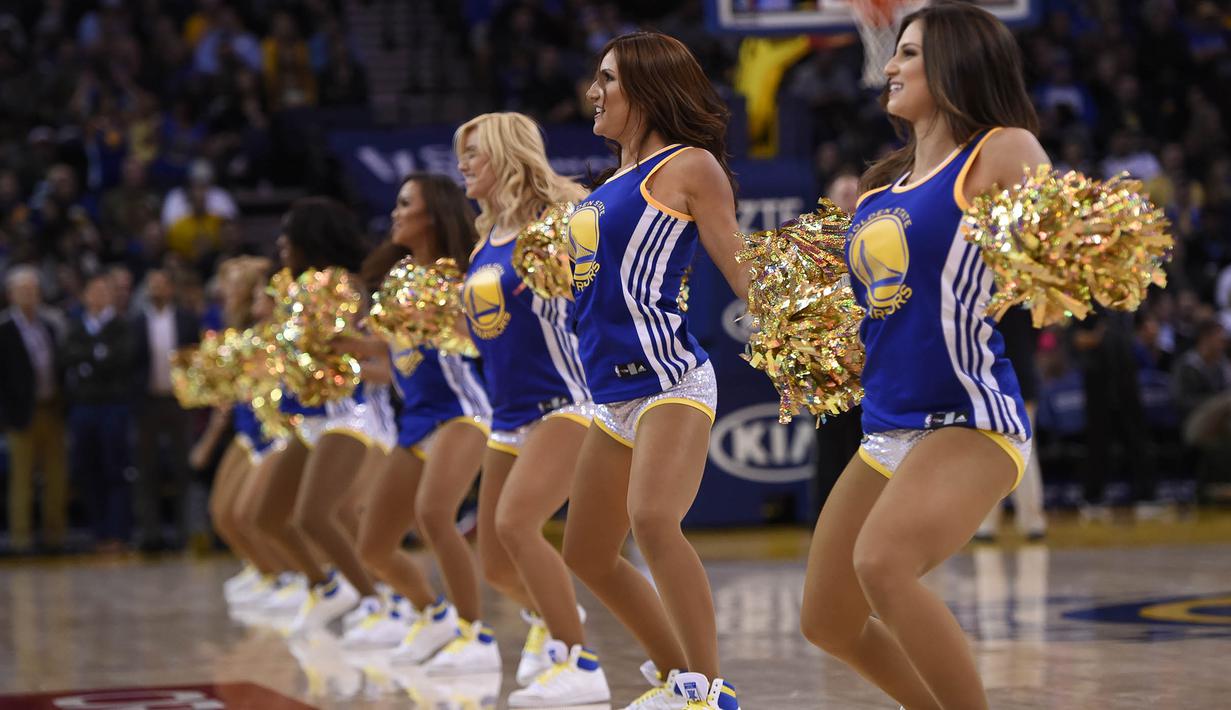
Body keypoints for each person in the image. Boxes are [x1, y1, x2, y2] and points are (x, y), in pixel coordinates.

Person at [798, 4, 1047, 709]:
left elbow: (1051, 234)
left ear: (953, 65)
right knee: (826, 619)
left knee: (881, 564)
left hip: (968, 419)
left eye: (908, 53)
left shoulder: (1002, 150)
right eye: (895, 51)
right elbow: (869, 314)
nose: (889, 66)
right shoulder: (879, 189)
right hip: (886, 430)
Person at [558, 32, 750, 710]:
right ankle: (678, 676)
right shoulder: (604, 185)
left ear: (645, 87)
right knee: (584, 552)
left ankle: (709, 688)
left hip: (669, 381)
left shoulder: (688, 166)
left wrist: (806, 329)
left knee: (652, 520)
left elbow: (740, 267)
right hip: (608, 396)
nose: (593, 92)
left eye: (607, 79)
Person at [448, 112, 604, 701]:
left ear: (506, 155)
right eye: (461, 155)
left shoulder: (554, 220)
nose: (463, 165)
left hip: (565, 401)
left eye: (475, 154)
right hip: (507, 415)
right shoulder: (486, 235)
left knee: (517, 524)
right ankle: (555, 617)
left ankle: (579, 661)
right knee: (493, 562)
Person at [339, 175, 491, 662]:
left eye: (406, 205)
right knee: (373, 546)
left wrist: (453, 313)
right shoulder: (400, 281)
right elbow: (385, 354)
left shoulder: (464, 279)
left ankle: (475, 635)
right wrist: (330, 345)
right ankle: (435, 614)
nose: (395, 213)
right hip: (416, 421)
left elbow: (483, 339)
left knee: (432, 517)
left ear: (432, 216)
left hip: (463, 413)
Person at [248, 197, 387, 636]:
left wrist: (337, 350)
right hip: (308, 419)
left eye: (290, 232)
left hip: (347, 416)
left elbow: (369, 353)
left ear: (312, 237)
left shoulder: (344, 285)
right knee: (267, 517)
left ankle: (376, 602)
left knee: (315, 516)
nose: (282, 242)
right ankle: (327, 588)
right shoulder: (296, 288)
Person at [64, 273, 136, 553]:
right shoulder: (76, 325)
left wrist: (89, 362)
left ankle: (118, 533)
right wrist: (96, 357)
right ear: (85, 296)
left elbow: (122, 359)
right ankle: (98, 534)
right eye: (94, 291)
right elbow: (67, 356)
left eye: (104, 291)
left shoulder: (121, 325)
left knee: (115, 469)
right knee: (88, 469)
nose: (99, 296)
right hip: (84, 407)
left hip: (113, 406)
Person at [131, 268, 200, 552]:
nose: (157, 289)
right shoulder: (135, 321)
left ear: (171, 288)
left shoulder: (185, 319)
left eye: (162, 284)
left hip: (177, 402)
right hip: (147, 402)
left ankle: (186, 533)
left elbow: (195, 357)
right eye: (153, 284)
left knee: (183, 469)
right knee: (146, 471)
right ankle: (151, 535)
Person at [0, 266, 67, 554]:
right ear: (11, 294)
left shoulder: (49, 325)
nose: (29, 294)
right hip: (20, 414)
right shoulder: (4, 329)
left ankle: (55, 537)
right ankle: (21, 539)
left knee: (56, 477)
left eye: (33, 289)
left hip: (50, 408)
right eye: (23, 289)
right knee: (21, 480)